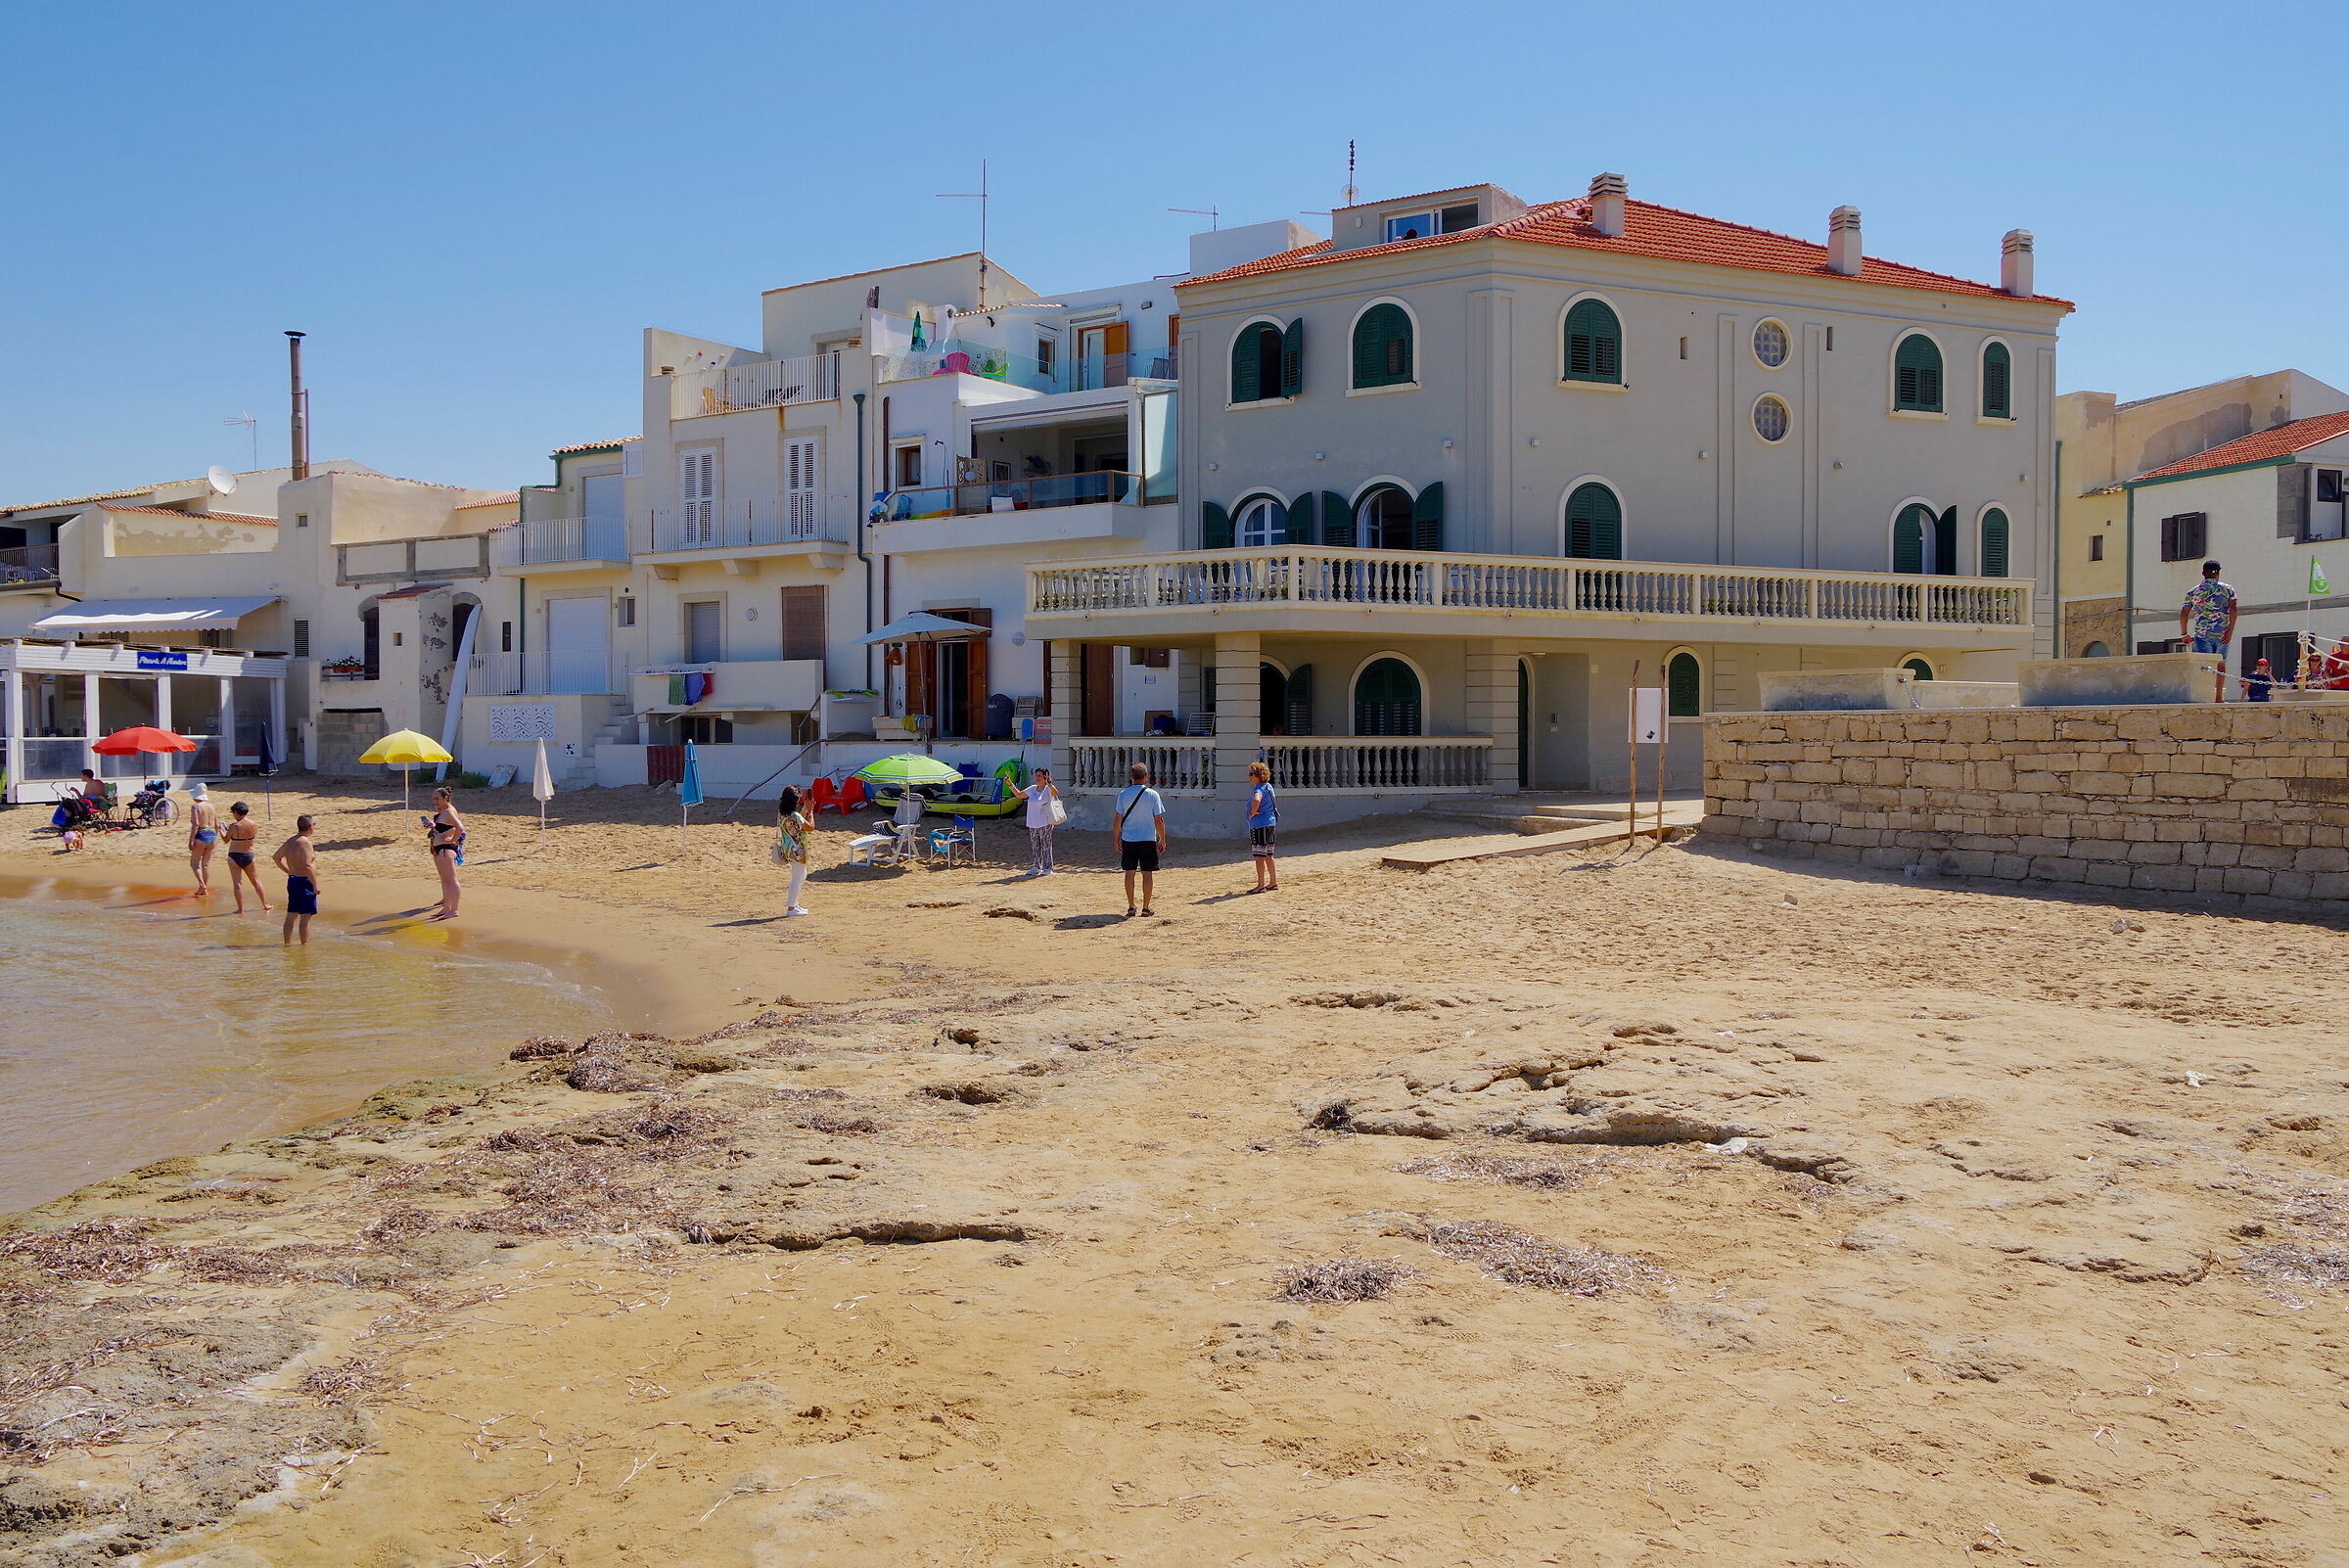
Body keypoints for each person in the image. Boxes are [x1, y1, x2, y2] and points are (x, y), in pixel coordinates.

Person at [1111, 761, 1167, 917]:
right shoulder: (1152, 795)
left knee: (1129, 873)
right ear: (1146, 777)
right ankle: (1146, 907)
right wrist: (1162, 839)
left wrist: (1116, 839)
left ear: (1131, 777)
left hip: (1129, 838)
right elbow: (1159, 820)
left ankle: (1131, 906)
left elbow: (1117, 819)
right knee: (1147, 873)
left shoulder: (1123, 794)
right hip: (1147, 838)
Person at [2179, 560, 2238, 702]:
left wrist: (2184, 634)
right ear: (2218, 573)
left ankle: (2204, 697)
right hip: (2223, 633)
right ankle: (2218, 697)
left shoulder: (2193, 591)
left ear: (2203, 573)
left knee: (2205, 667)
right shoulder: (2228, 589)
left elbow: (2184, 612)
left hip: (2202, 634)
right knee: (2221, 665)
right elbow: (2234, 608)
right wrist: (2230, 631)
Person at [272, 814, 321, 945]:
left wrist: (289, 871)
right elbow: (306, 865)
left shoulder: (291, 841)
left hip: (293, 880)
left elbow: (276, 857)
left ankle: (286, 943)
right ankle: (304, 944)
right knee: (305, 916)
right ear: (310, 827)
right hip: (304, 882)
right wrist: (315, 884)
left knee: (292, 913)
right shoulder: (305, 842)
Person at [1011, 765, 1061, 876]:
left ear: (1045, 778)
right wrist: (1011, 784)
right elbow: (1019, 795)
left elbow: (1055, 793)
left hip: (1045, 822)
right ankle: (1037, 866)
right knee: (1035, 845)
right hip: (1032, 822)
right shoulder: (1032, 788)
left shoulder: (1047, 789)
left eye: (1039, 776)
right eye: (1036, 775)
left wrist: (1050, 784)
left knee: (1046, 845)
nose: (1037, 778)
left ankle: (1048, 867)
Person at [424, 786, 464, 920]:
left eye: (437, 799)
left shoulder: (449, 812)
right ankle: (446, 908)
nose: (435, 802)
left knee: (452, 880)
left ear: (446, 798)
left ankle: (454, 910)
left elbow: (460, 828)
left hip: (446, 848)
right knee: (445, 879)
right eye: (433, 799)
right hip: (440, 848)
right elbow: (445, 827)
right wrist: (433, 825)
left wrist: (453, 840)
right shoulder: (444, 812)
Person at [221, 801, 268, 914]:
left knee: (237, 884)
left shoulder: (234, 826)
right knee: (256, 881)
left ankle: (240, 909)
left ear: (236, 812)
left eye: (233, 813)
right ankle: (265, 904)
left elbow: (226, 840)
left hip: (234, 855)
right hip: (249, 855)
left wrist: (220, 830)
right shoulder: (253, 824)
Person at [776, 786, 811, 916]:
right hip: (797, 850)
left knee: (801, 876)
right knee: (798, 878)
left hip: (788, 847)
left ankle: (794, 904)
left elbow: (799, 822)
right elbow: (810, 827)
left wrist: (806, 809)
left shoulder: (782, 813)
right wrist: (811, 812)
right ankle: (791, 907)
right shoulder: (793, 815)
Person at [1245, 761, 1279, 893]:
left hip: (1260, 825)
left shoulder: (1258, 789)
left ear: (1258, 775)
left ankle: (1260, 885)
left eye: (1251, 774)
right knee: (1269, 855)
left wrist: (1253, 812)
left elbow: (1257, 799)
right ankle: (1273, 882)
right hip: (1270, 824)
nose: (1250, 777)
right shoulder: (1269, 786)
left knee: (1259, 856)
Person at [185, 781, 219, 897]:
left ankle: (202, 885)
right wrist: (216, 837)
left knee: (194, 864)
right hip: (212, 835)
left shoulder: (196, 806)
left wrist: (191, 840)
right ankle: (204, 888)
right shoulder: (212, 806)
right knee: (205, 865)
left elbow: (196, 824)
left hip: (201, 834)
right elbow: (217, 825)